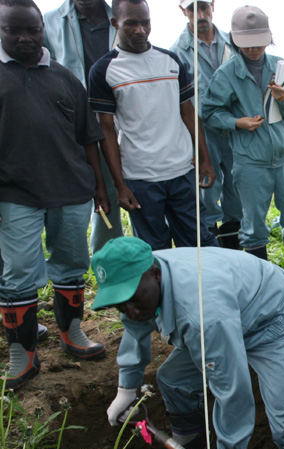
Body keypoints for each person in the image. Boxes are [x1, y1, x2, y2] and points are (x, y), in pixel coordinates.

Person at [93, 237, 284, 449]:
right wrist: (127, 388)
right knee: (172, 379)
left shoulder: (202, 312)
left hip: (272, 320)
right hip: (228, 312)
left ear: (155, 274)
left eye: (132, 299)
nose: (129, 311)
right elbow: (135, 328)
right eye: (119, 303)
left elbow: (233, 390)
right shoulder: (138, 276)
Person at [0, 0, 108, 391]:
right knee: (18, 273)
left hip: (70, 189)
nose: (25, 38)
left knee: (71, 262)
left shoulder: (64, 78)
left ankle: (71, 333)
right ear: (2, 30)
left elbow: (88, 138)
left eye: (32, 30)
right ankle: (22, 354)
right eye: (14, 31)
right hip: (16, 194)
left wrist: (98, 186)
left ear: (43, 29)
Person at [88, 0, 218, 251]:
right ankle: (167, 292)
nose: (140, 30)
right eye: (131, 24)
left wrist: (205, 159)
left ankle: (201, 291)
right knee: (155, 250)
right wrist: (120, 185)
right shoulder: (104, 70)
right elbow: (106, 129)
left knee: (199, 244)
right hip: (141, 179)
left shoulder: (170, 60)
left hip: (182, 173)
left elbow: (188, 112)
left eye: (145, 23)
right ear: (115, 24)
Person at [202, 5, 284, 281]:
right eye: (247, 45)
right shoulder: (227, 74)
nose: (253, 50)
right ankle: (260, 278)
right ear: (236, 41)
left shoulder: (281, 66)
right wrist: (237, 122)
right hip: (251, 159)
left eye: (259, 44)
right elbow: (210, 112)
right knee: (252, 223)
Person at [42, 0, 123, 254]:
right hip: (68, 126)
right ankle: (69, 271)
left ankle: (108, 266)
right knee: (70, 197)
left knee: (109, 194)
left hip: (113, 122)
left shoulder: (120, 16)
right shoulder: (49, 21)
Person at [170, 0, 242, 250]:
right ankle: (213, 255)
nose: (200, 14)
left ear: (213, 5)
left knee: (238, 190)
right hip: (202, 134)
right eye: (192, 9)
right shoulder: (177, 52)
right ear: (183, 11)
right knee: (207, 195)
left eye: (204, 6)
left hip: (236, 129)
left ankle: (235, 252)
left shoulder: (233, 42)